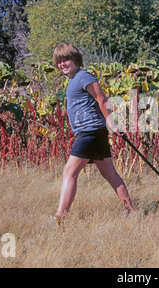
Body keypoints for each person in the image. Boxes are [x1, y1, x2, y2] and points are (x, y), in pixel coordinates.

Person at [52, 43, 134, 229]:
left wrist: (112, 124)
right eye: (59, 61)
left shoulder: (84, 76)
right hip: (92, 132)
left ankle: (59, 219)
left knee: (69, 172)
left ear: (75, 59)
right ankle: (131, 213)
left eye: (66, 59)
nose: (62, 64)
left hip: (90, 131)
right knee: (109, 174)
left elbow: (102, 99)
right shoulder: (73, 79)